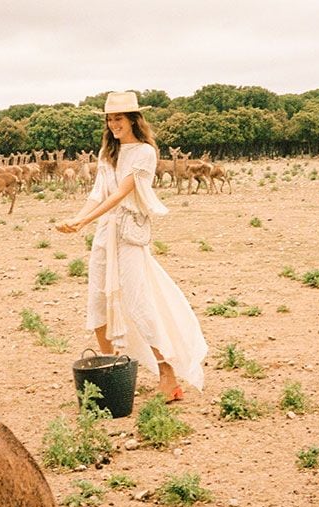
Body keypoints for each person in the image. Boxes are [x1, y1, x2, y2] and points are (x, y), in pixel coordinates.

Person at [56, 91, 207, 401]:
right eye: (110, 119)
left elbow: (121, 193)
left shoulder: (145, 153)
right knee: (97, 300)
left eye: (119, 118)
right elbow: (98, 194)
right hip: (105, 233)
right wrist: (77, 218)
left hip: (129, 234)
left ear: (134, 120)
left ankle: (167, 371)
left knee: (139, 302)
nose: (113, 124)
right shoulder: (106, 153)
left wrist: (84, 222)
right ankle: (111, 369)